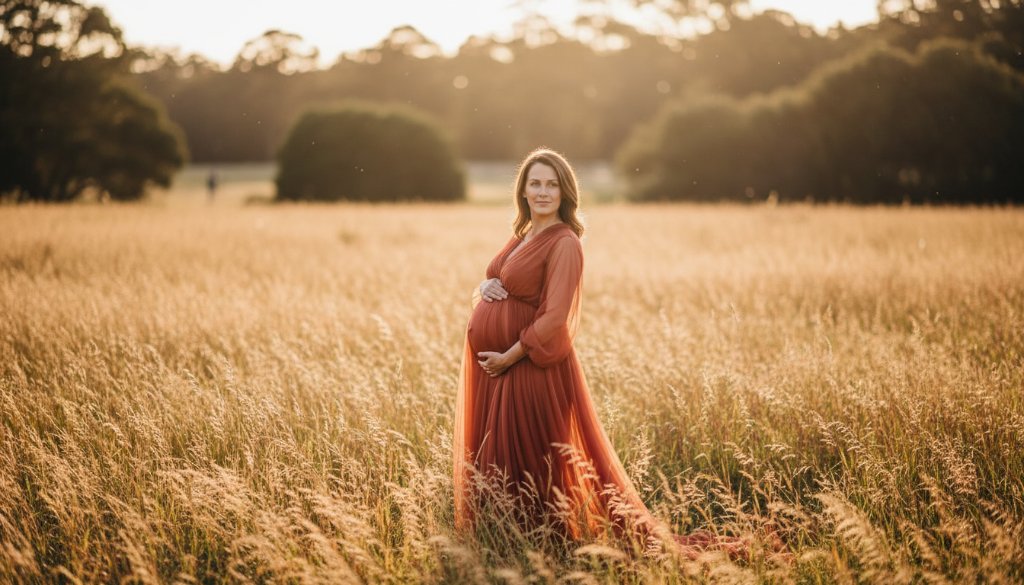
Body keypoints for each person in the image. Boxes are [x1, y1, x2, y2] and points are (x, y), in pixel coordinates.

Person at [453, 148, 756, 559]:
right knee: (500, 459)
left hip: (529, 366)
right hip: (499, 368)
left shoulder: (564, 243)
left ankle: (541, 550)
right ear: (522, 189)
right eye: (535, 183)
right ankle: (505, 544)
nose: (542, 192)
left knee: (530, 461)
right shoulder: (524, 234)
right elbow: (498, 283)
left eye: (551, 185)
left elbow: (555, 317)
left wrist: (508, 357)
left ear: (565, 192)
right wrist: (481, 289)